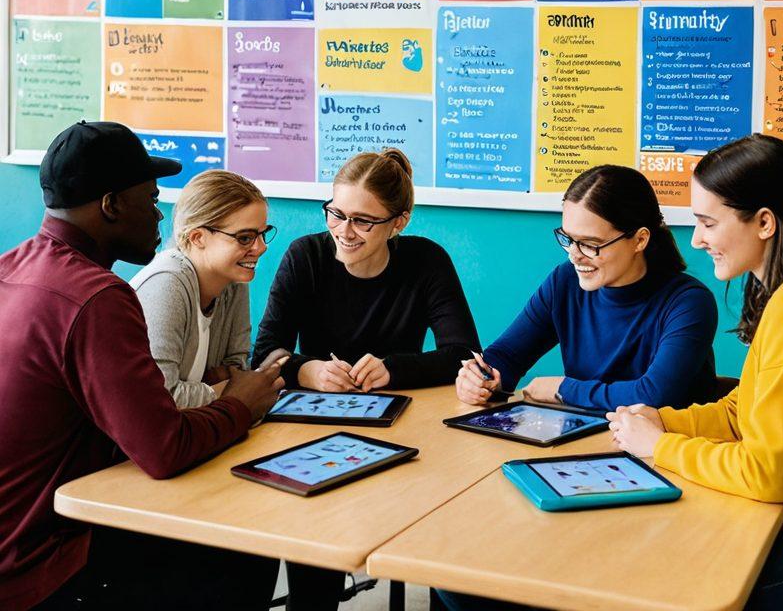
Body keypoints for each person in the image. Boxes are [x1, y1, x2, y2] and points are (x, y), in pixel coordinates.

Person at [0, 121, 284, 611]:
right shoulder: (97, 298)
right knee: (247, 548)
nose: (158, 215)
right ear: (111, 205)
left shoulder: (12, 265)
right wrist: (242, 401)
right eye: (150, 198)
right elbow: (164, 448)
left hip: (16, 532)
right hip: (44, 557)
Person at [610, 134, 783, 610]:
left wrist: (660, 446)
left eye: (707, 222)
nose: (696, 239)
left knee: (657, 588)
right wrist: (665, 421)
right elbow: (748, 409)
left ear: (764, 222)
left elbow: (769, 476)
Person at [254, 146, 480, 611]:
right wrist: (307, 369)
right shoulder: (306, 256)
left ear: (399, 221)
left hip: (405, 432)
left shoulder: (426, 261)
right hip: (313, 433)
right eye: (336, 213)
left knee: (440, 534)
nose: (344, 230)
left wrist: (394, 368)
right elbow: (266, 351)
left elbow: (462, 352)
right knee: (314, 540)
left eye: (363, 220)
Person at [455, 164, 718, 412]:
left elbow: (654, 395)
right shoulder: (564, 282)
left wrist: (563, 389)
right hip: (583, 444)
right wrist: (481, 379)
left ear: (639, 240)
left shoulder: (689, 303)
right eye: (569, 239)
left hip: (662, 451)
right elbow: (508, 355)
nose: (574, 255)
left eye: (590, 244)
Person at [132, 170, 274, 407]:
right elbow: (159, 399)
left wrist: (230, 385)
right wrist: (226, 390)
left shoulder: (233, 277)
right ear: (197, 237)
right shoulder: (167, 284)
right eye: (245, 238)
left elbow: (236, 369)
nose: (260, 248)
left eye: (262, 234)